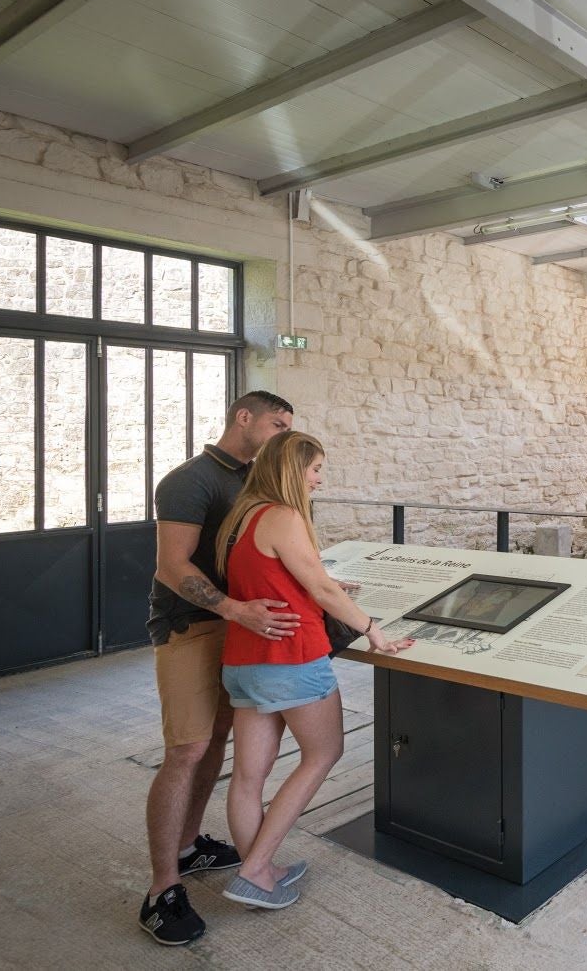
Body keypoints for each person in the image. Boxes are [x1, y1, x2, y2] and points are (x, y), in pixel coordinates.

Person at [215, 431, 413, 909]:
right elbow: (321, 595)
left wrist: (324, 583)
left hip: (244, 660)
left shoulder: (241, 516)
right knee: (322, 755)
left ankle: (258, 870)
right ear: (293, 468)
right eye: (316, 468)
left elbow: (278, 577)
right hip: (292, 657)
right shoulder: (283, 516)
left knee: (247, 776)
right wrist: (373, 630)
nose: (320, 479)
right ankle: (255, 870)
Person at [141, 391, 296, 945]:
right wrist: (233, 609)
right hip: (191, 626)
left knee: (216, 744)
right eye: (277, 422)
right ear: (244, 416)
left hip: (241, 627)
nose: (282, 432)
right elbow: (171, 565)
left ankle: (188, 848)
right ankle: (162, 890)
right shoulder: (191, 479)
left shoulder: (256, 480)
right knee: (185, 750)